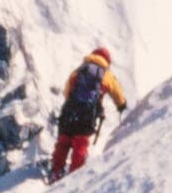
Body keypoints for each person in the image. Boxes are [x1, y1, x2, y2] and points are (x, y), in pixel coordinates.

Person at [48, 46, 126, 179]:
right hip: (87, 114)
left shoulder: (79, 70)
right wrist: (121, 105)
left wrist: (73, 103)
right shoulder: (107, 74)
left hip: (70, 110)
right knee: (80, 143)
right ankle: (74, 176)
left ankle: (56, 171)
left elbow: (67, 91)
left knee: (63, 141)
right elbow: (117, 94)